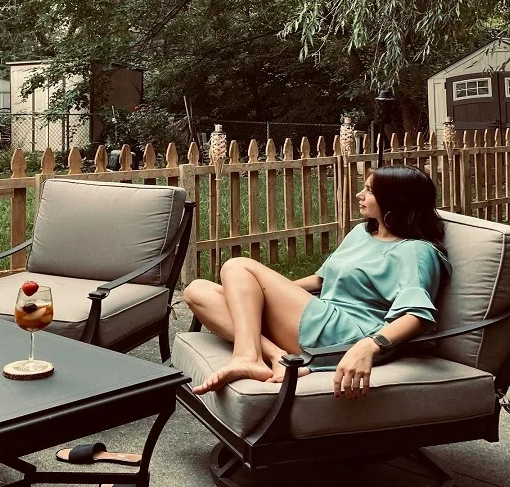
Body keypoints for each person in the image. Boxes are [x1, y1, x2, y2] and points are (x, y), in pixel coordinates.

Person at [184, 165, 451, 400]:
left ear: (396, 201)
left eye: (369, 191)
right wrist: (257, 292)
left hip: (347, 334)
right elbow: (320, 280)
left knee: (236, 265)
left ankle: (247, 356)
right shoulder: (362, 232)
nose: (360, 194)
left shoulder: (416, 251)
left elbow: (417, 315)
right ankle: (275, 355)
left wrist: (369, 346)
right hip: (320, 314)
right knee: (198, 290)